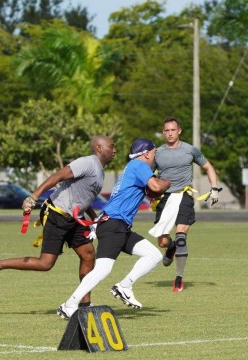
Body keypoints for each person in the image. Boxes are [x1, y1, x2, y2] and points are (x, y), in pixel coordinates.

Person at [0, 135, 116, 308]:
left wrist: (95, 219)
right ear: (98, 148)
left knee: (88, 255)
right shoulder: (87, 162)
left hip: (74, 217)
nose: (114, 150)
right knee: (45, 263)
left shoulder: (100, 171)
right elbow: (58, 176)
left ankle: (84, 305)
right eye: (111, 147)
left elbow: (84, 197)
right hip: (57, 213)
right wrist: (33, 197)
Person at [57, 138, 171, 319]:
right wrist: (169, 182)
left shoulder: (135, 167)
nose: (155, 157)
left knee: (154, 255)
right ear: (147, 153)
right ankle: (69, 304)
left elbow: (150, 191)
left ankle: (125, 286)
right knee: (103, 269)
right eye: (154, 154)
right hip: (114, 223)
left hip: (119, 225)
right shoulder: (140, 165)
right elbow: (156, 186)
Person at [149, 116, 221, 292]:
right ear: (163, 132)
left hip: (184, 196)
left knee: (181, 237)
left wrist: (215, 188)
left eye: (173, 130)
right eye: (167, 130)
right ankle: (170, 248)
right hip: (164, 199)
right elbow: (147, 175)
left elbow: (208, 167)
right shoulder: (157, 153)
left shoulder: (190, 150)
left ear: (179, 131)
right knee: (163, 242)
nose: (170, 133)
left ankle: (179, 278)